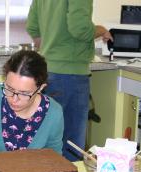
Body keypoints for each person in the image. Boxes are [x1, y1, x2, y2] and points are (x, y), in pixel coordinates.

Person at [26, 0, 113, 161]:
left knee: (47, 137)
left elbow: (33, 27)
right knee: (72, 145)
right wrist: (101, 30)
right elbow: (79, 29)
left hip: (48, 72)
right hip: (72, 75)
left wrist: (51, 50)